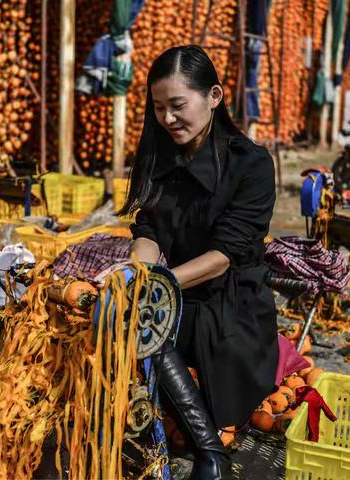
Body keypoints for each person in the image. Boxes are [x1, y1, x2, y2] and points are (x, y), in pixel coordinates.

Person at [119, 45, 278, 480]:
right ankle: (207, 446)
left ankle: (211, 453)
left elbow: (222, 259)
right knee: (129, 312)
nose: (167, 119)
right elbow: (149, 231)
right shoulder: (160, 156)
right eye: (157, 108)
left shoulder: (252, 164)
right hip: (183, 297)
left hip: (233, 310)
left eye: (177, 106)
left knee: (148, 323)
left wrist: (157, 285)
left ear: (214, 96)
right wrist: (136, 272)